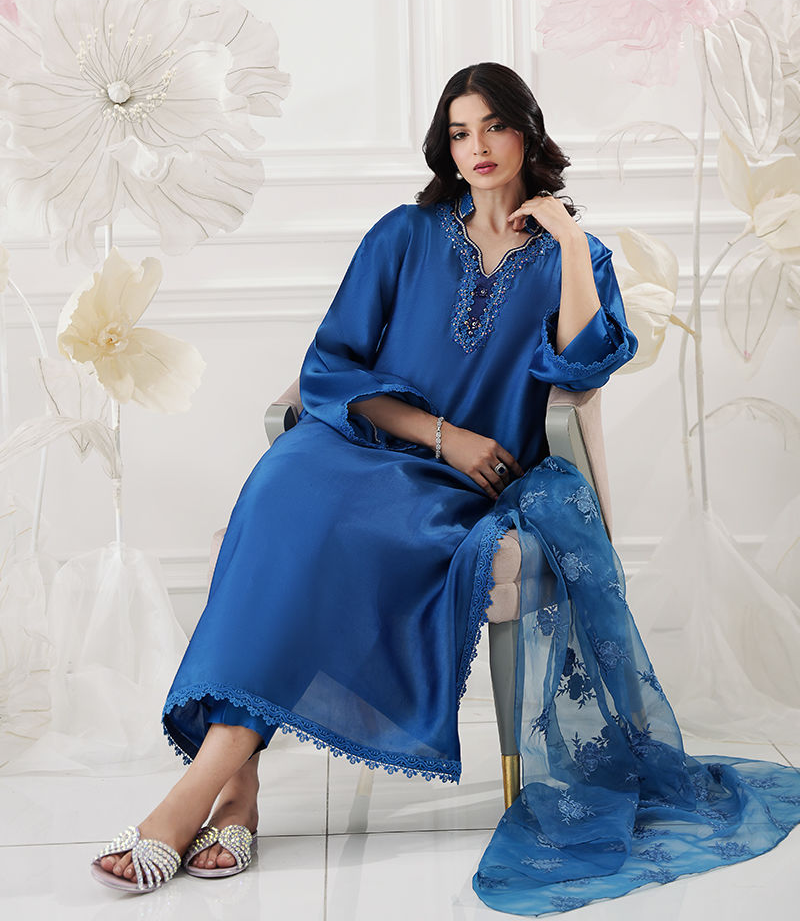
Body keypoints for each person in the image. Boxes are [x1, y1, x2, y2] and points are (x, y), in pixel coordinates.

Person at [91, 64, 800, 912]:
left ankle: (204, 800)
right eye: (460, 133)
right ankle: (230, 792)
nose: (478, 147)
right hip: (355, 450)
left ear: (527, 132)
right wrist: (442, 434)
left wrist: (572, 242)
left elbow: (583, 367)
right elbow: (333, 364)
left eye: (494, 126)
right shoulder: (405, 233)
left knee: (323, 548)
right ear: (446, 147)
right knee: (280, 506)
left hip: (454, 491)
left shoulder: (574, 258)